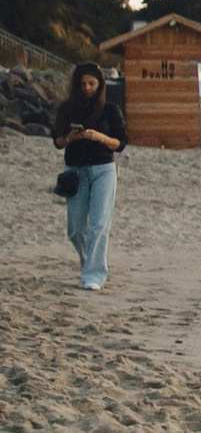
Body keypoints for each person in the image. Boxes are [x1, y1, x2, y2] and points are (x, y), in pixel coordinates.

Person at [52, 60, 125, 291]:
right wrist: (71, 138)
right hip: (75, 170)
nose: (87, 87)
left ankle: (94, 275)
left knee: (99, 225)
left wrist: (99, 137)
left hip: (104, 168)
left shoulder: (110, 109)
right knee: (75, 229)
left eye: (91, 83)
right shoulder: (67, 108)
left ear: (99, 84)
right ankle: (88, 262)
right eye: (83, 83)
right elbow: (57, 142)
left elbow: (121, 143)